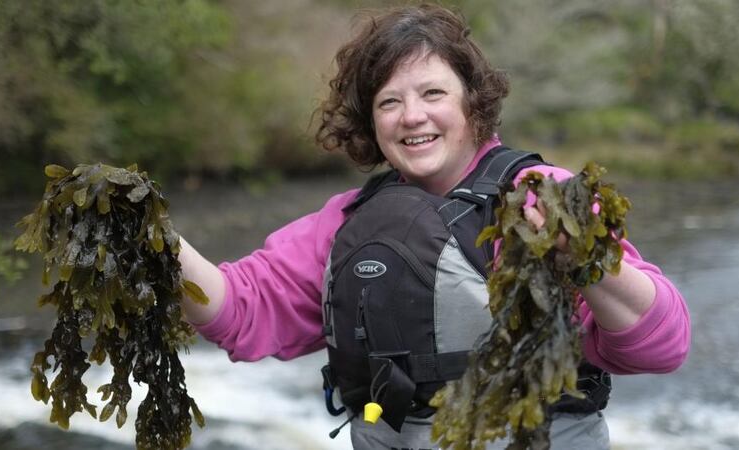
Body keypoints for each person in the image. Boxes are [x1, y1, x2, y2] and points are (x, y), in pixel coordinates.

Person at [176, 4, 690, 449]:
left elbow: (662, 345)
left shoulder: (541, 198)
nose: (412, 116)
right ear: (371, 121)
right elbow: (239, 309)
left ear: (473, 101)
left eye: (433, 93)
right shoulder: (347, 224)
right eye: (389, 102)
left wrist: (587, 263)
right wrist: (159, 244)